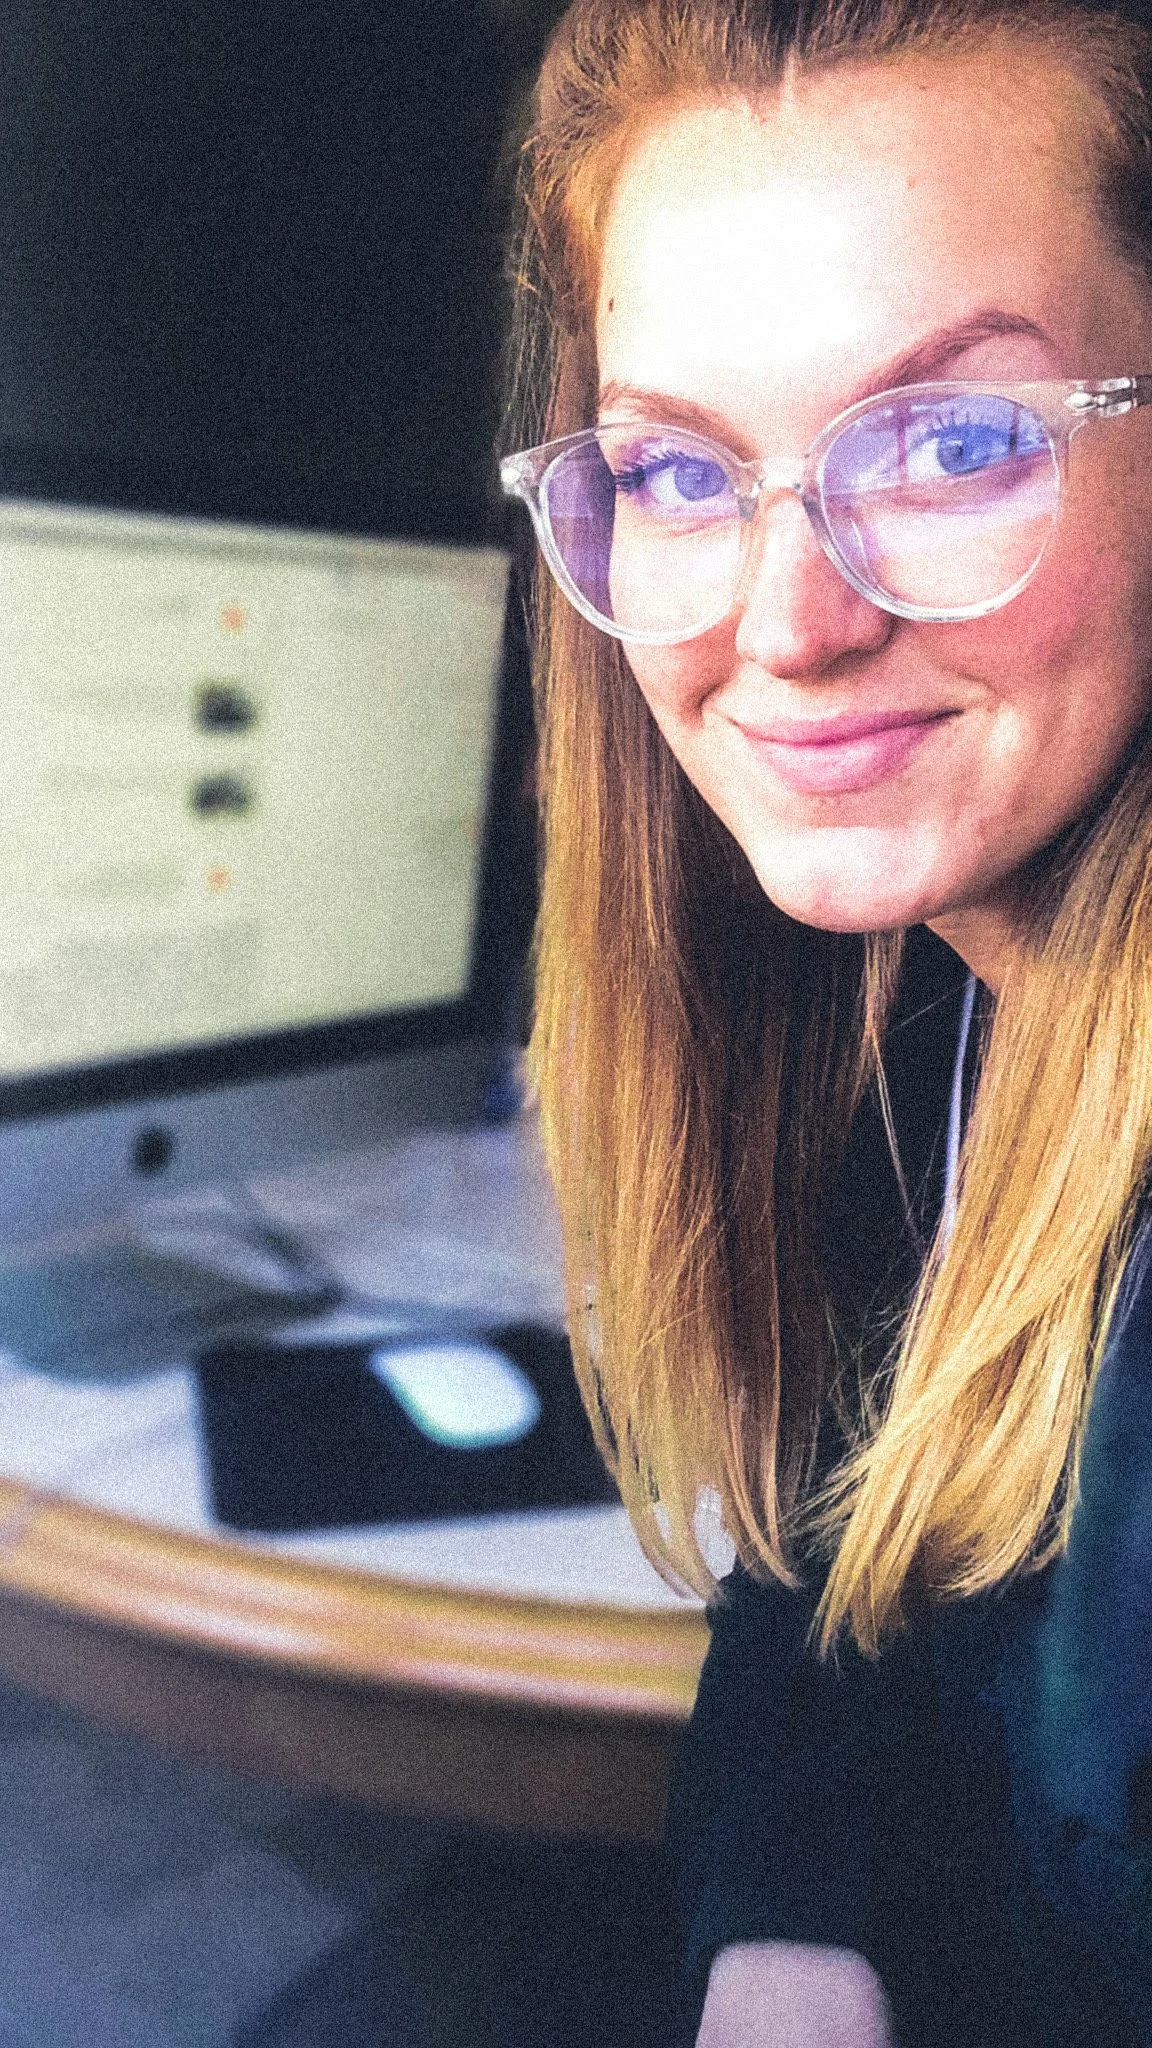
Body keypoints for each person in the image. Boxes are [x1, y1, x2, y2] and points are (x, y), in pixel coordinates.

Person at [499, 0, 1152, 2041]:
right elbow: (837, 1584)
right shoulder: (927, 1027)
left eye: (956, 442)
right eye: (679, 470)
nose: (786, 624)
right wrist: (793, 1922)